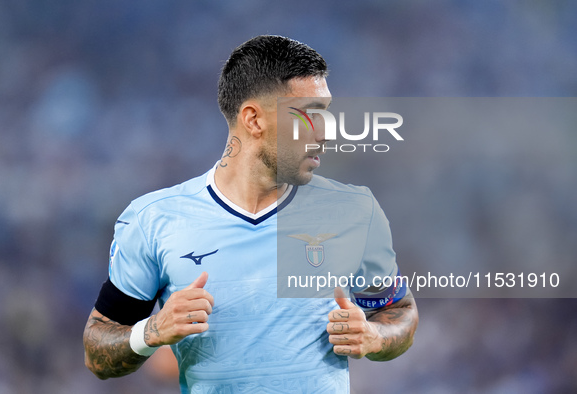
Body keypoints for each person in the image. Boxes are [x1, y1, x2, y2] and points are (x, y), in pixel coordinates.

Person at [83, 35, 418, 393]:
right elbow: (97, 350)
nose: (325, 132)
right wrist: (151, 331)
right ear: (253, 119)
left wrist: (375, 336)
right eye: (310, 114)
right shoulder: (154, 220)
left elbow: (400, 314)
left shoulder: (353, 211)